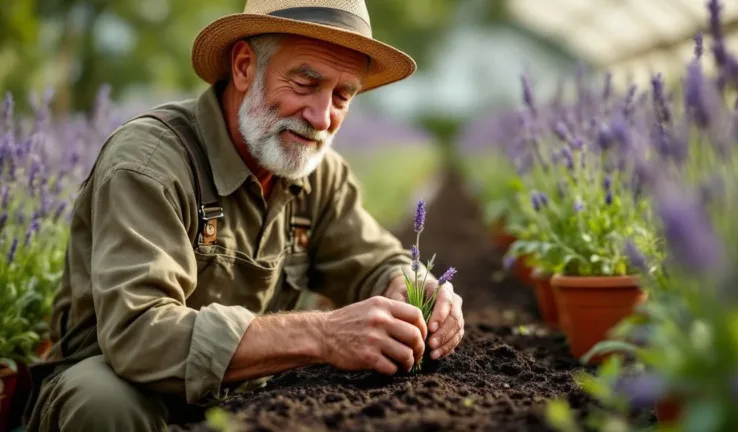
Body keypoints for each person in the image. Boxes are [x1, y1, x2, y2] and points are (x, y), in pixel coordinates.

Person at [23, 0, 465, 430]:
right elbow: (139, 335)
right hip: (135, 386)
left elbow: (371, 260)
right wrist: (323, 335)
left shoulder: (317, 171)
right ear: (244, 66)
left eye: (342, 96)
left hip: (245, 393)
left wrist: (415, 289)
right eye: (305, 83)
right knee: (103, 402)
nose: (322, 117)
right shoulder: (149, 162)